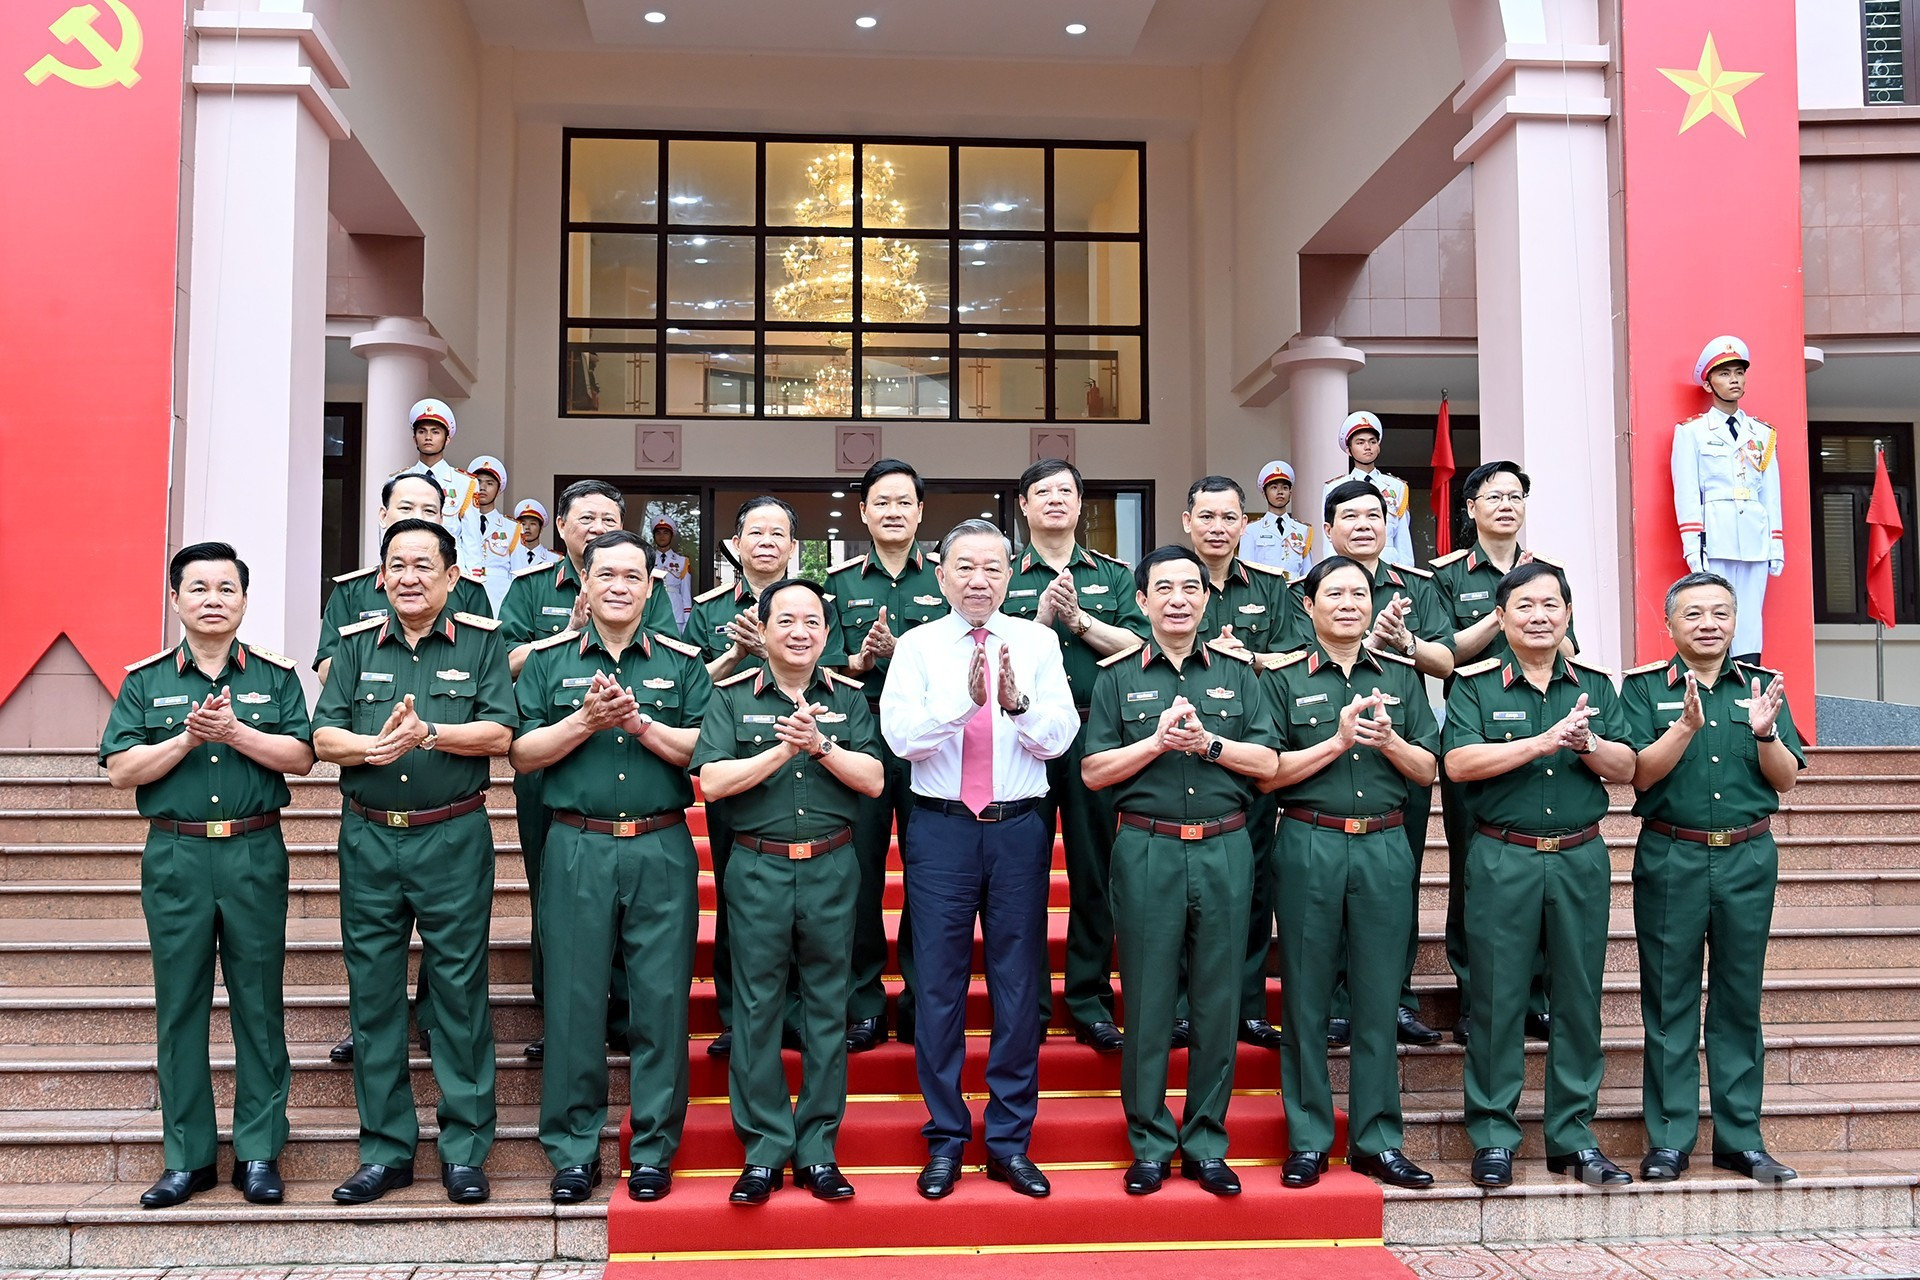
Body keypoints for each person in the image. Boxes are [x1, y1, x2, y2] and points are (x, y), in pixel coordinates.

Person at [101, 543, 313, 1209]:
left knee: (259, 1004)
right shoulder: (146, 680)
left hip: (253, 852)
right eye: (198, 588)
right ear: (176, 600)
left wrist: (235, 733)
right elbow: (120, 770)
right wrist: (187, 740)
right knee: (180, 1007)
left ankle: (258, 1152)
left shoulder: (275, 678)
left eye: (227, 587)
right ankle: (186, 1158)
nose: (213, 598)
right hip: (176, 856)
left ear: (245, 601)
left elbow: (302, 757)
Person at [311, 518, 515, 1206]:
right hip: (369, 838)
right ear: (381, 576)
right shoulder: (354, 645)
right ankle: (386, 1150)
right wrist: (369, 748)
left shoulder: (483, 644)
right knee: (373, 997)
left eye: (424, 565)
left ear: (452, 577)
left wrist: (431, 734)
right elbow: (323, 731)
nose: (409, 577)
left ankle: (464, 1150)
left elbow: (501, 730)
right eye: (396, 565)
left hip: (452, 836)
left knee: (459, 994)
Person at [511, 530, 711, 1205]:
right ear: (585, 586)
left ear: (652, 589)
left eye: (633, 576)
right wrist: (586, 722)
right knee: (572, 1003)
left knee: (660, 1004)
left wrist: (641, 726)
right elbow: (522, 752)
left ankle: (653, 1147)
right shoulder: (546, 662)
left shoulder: (684, 664)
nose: (620, 586)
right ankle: (572, 1149)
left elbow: (706, 752)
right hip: (577, 845)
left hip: (660, 844)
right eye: (607, 575)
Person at [882, 519, 1079, 1200]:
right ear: (940, 575)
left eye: (992, 568)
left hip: (1019, 827)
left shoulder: (1039, 642)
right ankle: (944, 1137)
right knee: (936, 988)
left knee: (1019, 987)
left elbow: (1059, 739)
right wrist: (958, 707)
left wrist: (1017, 708)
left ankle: (1008, 1141)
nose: (978, 580)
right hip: (940, 831)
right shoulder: (916, 646)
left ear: (1010, 574)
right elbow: (903, 738)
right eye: (964, 567)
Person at [1082, 545, 1280, 1197]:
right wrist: (1157, 742)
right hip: (1146, 849)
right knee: (1146, 999)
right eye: (1162, 587)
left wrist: (1210, 745)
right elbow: (1093, 771)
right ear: (1140, 601)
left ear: (1204, 598)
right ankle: (1149, 1140)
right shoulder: (1115, 677)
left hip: (1225, 847)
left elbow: (1268, 762)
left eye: (1190, 587)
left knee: (1219, 1000)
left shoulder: (1237, 674)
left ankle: (1205, 1141)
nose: (1178, 598)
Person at [1444, 561, 1636, 1190]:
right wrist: (1541, 742)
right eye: (1524, 606)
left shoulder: (1598, 687)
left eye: (1551, 605)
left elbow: (1627, 764)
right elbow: (1460, 763)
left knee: (1578, 999)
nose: (1538, 616)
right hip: (1505, 856)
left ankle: (1573, 1137)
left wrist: (1584, 745)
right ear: (1501, 618)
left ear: (1568, 614)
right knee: (1498, 999)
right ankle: (1494, 1135)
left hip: (1580, 855)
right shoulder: (1474, 686)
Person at [693, 579, 885, 1205]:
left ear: (827, 634)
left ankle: (819, 1149)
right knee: (756, 1009)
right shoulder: (727, 699)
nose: (800, 632)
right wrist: (783, 750)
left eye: (812, 622)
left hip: (832, 867)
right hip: (757, 868)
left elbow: (875, 779)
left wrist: (821, 745)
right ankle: (764, 1149)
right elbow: (714, 782)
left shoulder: (851, 701)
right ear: (764, 629)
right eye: (787, 620)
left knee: (830, 1007)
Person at [1261, 555, 1439, 1192]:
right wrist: (1337, 742)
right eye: (1332, 593)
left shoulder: (1400, 676)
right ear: (1308, 607)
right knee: (1307, 997)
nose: (1348, 603)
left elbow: (1427, 770)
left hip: (1384, 845)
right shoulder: (1280, 678)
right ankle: (1307, 1139)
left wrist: (1388, 740)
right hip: (1309, 839)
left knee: (1377, 998)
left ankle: (1378, 1140)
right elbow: (1267, 772)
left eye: (1359, 593)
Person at [1623, 572, 1806, 1184]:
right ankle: (1669, 1138)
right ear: (1669, 625)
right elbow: (1639, 776)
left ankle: (1740, 1138)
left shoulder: (1762, 688)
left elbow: (1785, 780)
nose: (1709, 623)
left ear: (1735, 622)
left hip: (1747, 860)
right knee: (1669, 999)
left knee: (1738, 999)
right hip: (1672, 855)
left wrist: (1764, 730)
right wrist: (1685, 728)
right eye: (1694, 613)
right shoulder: (1645, 690)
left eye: (1720, 612)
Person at [497, 479, 673, 1059]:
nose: (597, 527)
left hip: (636, 772)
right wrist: (570, 634)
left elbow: (666, 654)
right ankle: (562, 1014)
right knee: (557, 889)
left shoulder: (645, 586)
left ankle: (622, 1012)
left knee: (625, 901)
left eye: (609, 518)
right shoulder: (530, 588)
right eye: (586, 518)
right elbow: (505, 662)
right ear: (563, 527)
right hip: (551, 767)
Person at [1301, 479, 1454, 1048]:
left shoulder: (1417, 586)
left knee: (1398, 881)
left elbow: (1448, 660)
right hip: (1323, 757)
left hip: (1397, 748)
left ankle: (1395, 998)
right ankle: (1339, 1001)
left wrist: (1405, 642)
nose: (1364, 525)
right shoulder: (1307, 590)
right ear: (1329, 527)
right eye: (1350, 516)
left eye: (1374, 515)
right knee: (1327, 891)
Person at [1002, 459, 1149, 1052]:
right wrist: (1039, 622)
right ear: (1024, 505)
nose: (1056, 500)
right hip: (1020, 736)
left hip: (1094, 735)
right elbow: (984, 646)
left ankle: (1089, 998)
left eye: (1067, 492)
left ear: (1082, 505)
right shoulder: (1002, 573)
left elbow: (1139, 641)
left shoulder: (1114, 577)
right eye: (1043, 492)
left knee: (1094, 871)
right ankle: (1028, 1003)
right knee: (1020, 873)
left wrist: (1080, 620)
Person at [1427, 461, 1561, 1046]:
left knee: (1542, 875)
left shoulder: (1548, 574)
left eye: (1516, 496)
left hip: (1543, 737)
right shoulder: (1446, 577)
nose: (1506, 505)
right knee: (1473, 872)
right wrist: (1506, 615)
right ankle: (1474, 996)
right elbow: (1444, 655)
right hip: (1477, 736)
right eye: (1493, 496)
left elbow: (1566, 646)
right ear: (1470, 509)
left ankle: (1537, 995)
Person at [823, 459, 949, 1052]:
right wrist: (861, 662)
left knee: (930, 876)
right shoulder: (839, 583)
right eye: (882, 502)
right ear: (865, 513)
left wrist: (909, 655)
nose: (893, 511)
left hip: (931, 744)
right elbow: (817, 664)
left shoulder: (948, 580)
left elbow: (963, 663)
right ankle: (864, 1001)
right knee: (863, 875)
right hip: (863, 740)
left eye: (905, 502)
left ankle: (923, 1002)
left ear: (921, 513)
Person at [684, 496, 812, 1058]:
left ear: (792, 547)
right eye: (753, 531)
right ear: (735, 546)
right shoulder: (710, 611)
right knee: (740, 896)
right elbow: (688, 686)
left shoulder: (816, 603)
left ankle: (803, 1012)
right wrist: (738, 656)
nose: (766, 541)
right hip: (738, 763)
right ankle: (739, 1014)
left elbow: (839, 671)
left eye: (777, 533)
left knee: (813, 904)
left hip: (811, 763)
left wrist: (781, 648)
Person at [1182, 476, 1292, 1050]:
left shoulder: (1274, 589)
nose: (1218, 527)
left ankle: (1248, 1004)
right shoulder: (1165, 582)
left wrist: (1244, 656)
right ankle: (1179, 1006)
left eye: (1228, 518)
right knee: (1175, 890)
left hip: (1248, 750)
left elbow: (1297, 657)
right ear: (1187, 522)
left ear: (1243, 525)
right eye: (1207, 517)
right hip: (1175, 757)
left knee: (1249, 884)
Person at [315, 472, 492, 688]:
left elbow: (488, 665)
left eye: (429, 510)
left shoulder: (467, 590)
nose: (417, 517)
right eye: (406, 508)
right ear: (383, 516)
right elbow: (326, 671)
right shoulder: (352, 591)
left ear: (441, 520)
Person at [1672, 336, 1784, 662]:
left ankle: (1748, 679)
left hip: (1755, 534)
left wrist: (1776, 543)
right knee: (1715, 611)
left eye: (1739, 372)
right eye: (1724, 374)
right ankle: (1717, 681)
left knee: (1750, 616)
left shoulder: (1762, 433)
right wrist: (1692, 545)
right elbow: (1688, 492)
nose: (1734, 379)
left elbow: (1770, 493)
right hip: (1715, 533)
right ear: (1708, 384)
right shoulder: (1692, 432)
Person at [400, 398, 484, 578]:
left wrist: (475, 577)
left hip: (451, 568)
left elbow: (472, 537)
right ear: (414, 438)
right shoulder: (399, 482)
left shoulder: (465, 483)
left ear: (447, 439)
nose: (428, 437)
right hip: (410, 566)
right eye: (422, 431)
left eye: (435, 432)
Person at [1323, 412, 1414, 569]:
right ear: (1348, 450)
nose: (1367, 447)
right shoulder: (1334, 487)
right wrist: (1332, 572)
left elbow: (1403, 538)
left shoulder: (1396, 487)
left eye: (1372, 442)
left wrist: (1406, 573)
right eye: (1360, 442)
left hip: (1388, 567)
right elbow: (1331, 538)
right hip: (1348, 568)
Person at [1238, 460, 1315, 580]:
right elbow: (1245, 570)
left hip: (1295, 593)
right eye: (1274, 488)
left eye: (1284, 488)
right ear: (1264, 493)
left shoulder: (1303, 530)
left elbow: (1308, 572)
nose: (1280, 492)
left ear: (1290, 493)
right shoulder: (1251, 530)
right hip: (1264, 593)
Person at [466, 455, 520, 612]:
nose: (482, 487)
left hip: (500, 595)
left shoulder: (512, 528)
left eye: (489, 483)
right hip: (468, 589)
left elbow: (518, 572)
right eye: (478, 482)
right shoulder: (461, 522)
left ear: (499, 489)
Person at [650, 512, 694, 631]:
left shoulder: (682, 561)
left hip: (676, 614)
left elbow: (686, 593)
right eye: (658, 533)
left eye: (666, 532)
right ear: (654, 536)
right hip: (653, 613)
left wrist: (687, 620)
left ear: (671, 535)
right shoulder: (647, 559)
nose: (662, 536)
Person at [514, 500, 561, 570]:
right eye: (523, 524)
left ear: (541, 528)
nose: (527, 527)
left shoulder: (555, 559)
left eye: (532, 524)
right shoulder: (510, 557)